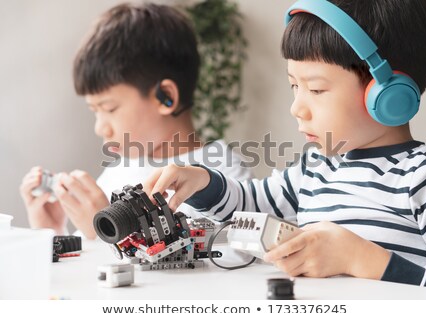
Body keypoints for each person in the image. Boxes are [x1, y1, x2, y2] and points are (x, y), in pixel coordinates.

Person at [144, 0, 426, 289]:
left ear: (388, 96)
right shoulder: (315, 169)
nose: (297, 108)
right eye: (294, 85)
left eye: (316, 89)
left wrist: (360, 258)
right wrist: (203, 183)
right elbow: (248, 207)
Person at [19, 3, 252, 240]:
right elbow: (93, 270)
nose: (100, 127)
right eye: (95, 111)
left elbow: (214, 268)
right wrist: (52, 233)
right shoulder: (117, 171)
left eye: (110, 108)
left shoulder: (224, 180)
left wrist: (103, 234)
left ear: (166, 97)